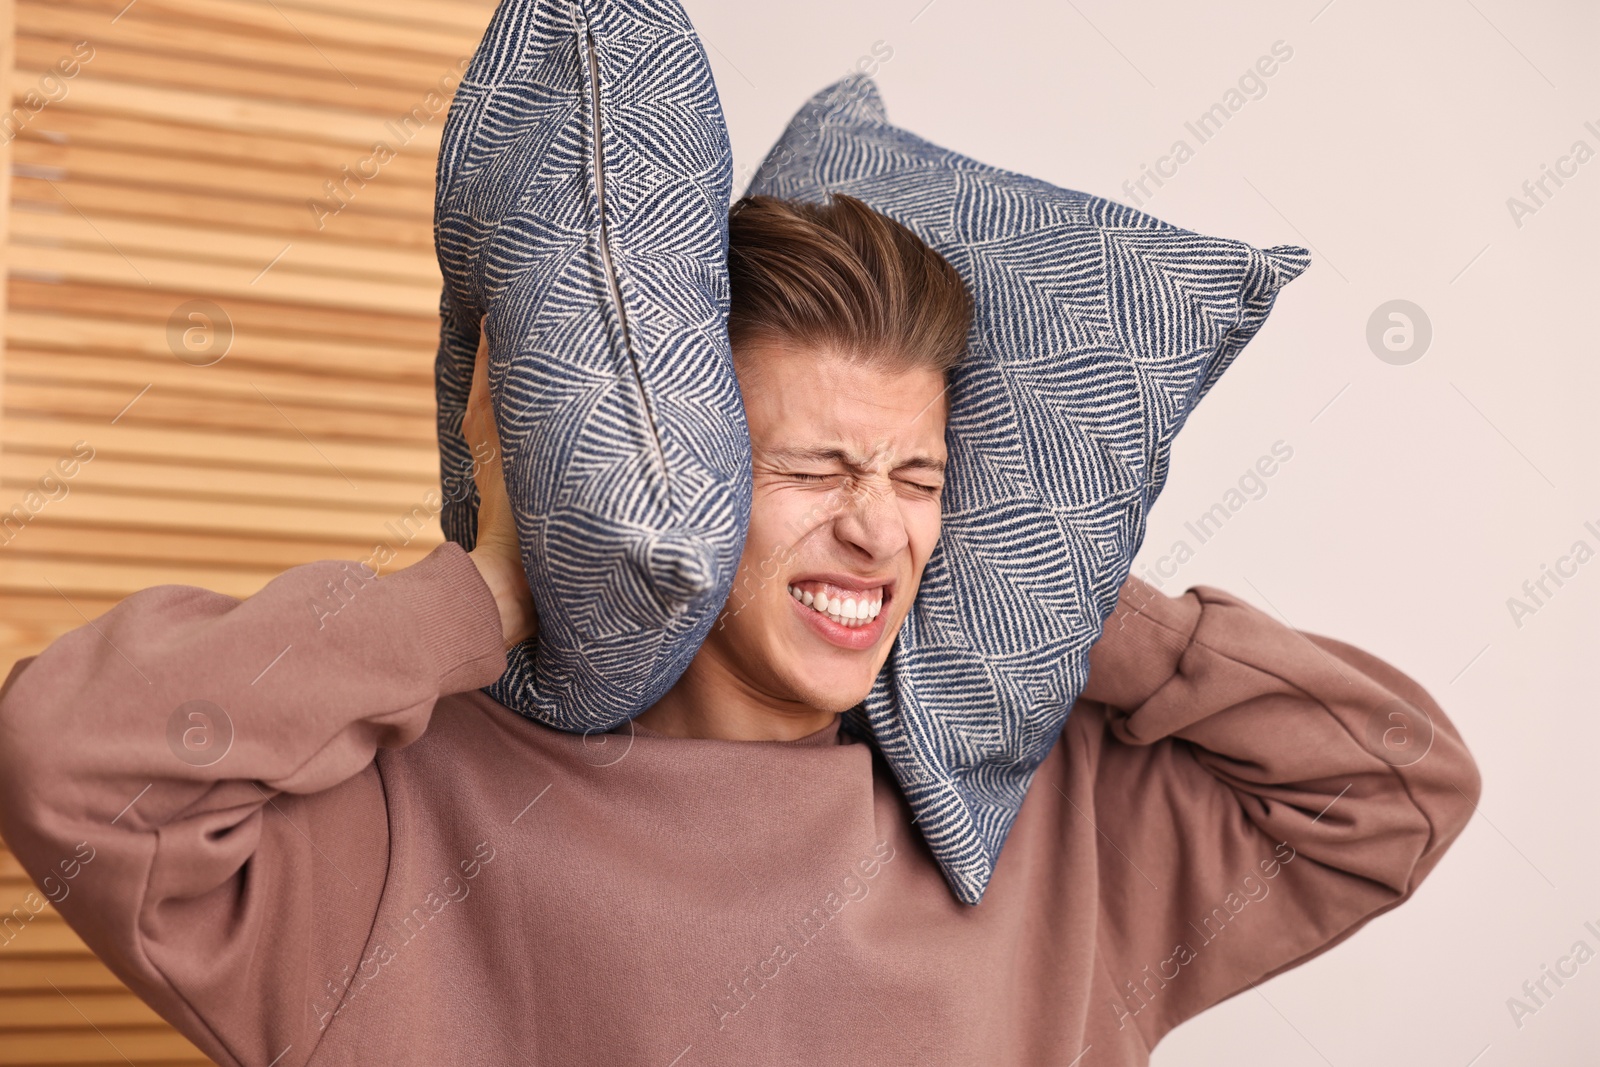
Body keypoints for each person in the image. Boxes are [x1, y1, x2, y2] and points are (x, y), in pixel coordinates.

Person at [0, 194, 1480, 1067]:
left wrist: (1058, 594)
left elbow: (1397, 789)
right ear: (681, 479)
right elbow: (72, 762)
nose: (880, 529)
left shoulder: (1054, 827)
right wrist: (492, 590)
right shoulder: (398, 822)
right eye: (814, 472)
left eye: (920, 479)